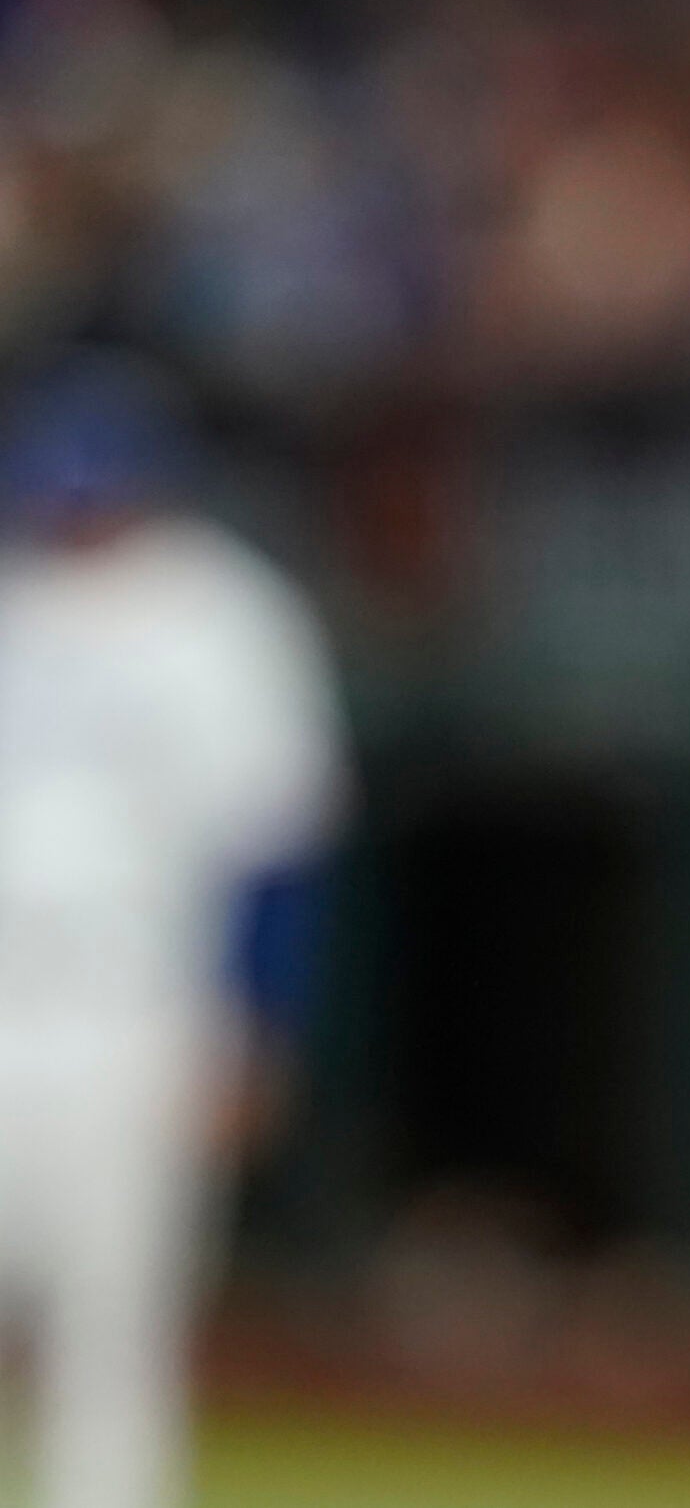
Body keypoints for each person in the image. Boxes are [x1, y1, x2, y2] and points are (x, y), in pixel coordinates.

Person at [0, 352, 349, 1508]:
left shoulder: (219, 610)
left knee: (113, 1328)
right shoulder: (17, 595)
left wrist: (256, 1023)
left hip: (136, 1014)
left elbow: (276, 844)